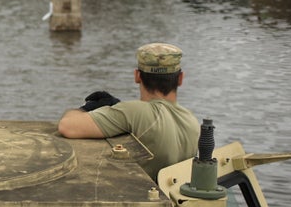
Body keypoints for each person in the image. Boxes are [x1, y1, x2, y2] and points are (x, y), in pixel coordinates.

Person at [57, 42, 199, 180]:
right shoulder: (192, 121)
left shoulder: (134, 111)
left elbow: (67, 126)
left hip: (143, 198)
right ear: (180, 78)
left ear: (137, 76)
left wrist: (85, 108)